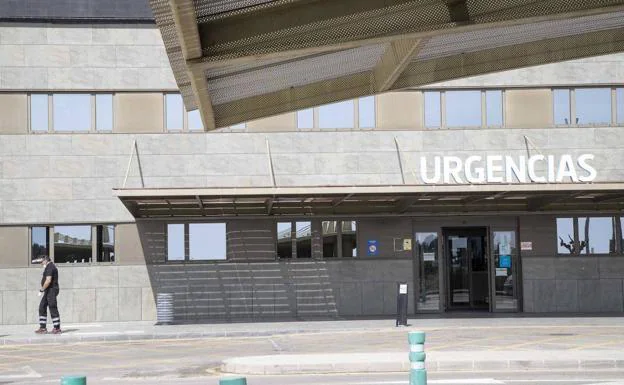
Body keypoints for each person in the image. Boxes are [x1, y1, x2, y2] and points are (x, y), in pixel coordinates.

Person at [35, 256, 61, 334]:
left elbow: (48, 280)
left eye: (41, 262)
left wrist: (41, 290)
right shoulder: (48, 267)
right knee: (42, 307)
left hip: (51, 290)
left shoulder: (50, 267)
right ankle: (43, 328)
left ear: (46, 260)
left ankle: (57, 328)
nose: (41, 263)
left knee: (52, 307)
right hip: (48, 290)